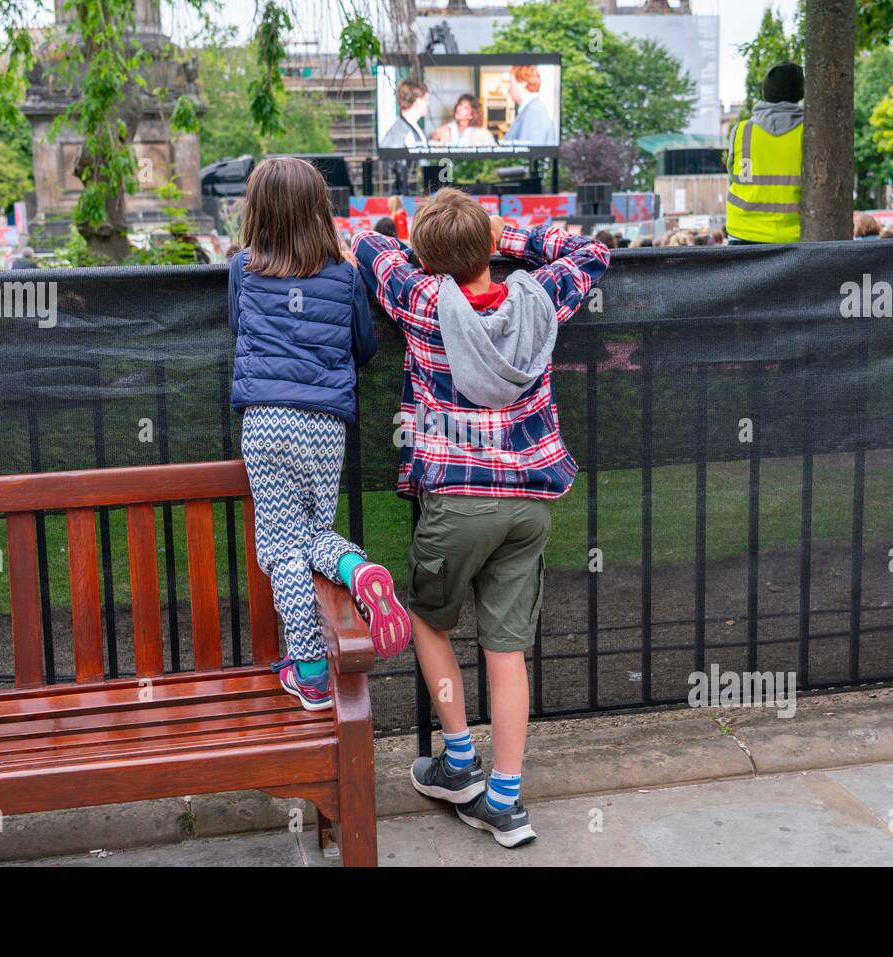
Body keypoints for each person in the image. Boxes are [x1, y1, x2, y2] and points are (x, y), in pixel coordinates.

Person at [351, 188, 609, 847]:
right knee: (508, 649)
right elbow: (592, 249)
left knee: (428, 621)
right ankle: (504, 800)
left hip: (458, 498)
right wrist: (508, 237)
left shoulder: (421, 299)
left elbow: (369, 245)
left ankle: (458, 757)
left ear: (432, 258)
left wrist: (423, 250)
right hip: (529, 501)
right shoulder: (540, 296)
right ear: (489, 246)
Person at [229, 156, 412, 711]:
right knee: (306, 534)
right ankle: (356, 569)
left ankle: (310, 672)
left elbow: (239, 329)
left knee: (281, 546)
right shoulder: (345, 273)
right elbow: (364, 345)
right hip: (326, 424)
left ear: (257, 211)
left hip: (265, 419)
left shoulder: (244, 267)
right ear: (319, 210)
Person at [726, 62, 804, 245]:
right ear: (800, 93)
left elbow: (732, 177)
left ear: (766, 92)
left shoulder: (741, 131)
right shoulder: (810, 132)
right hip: (793, 235)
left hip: (742, 232)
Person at [501, 65, 557, 146]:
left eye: (511, 83)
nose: (508, 88)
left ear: (523, 84)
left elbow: (527, 154)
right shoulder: (531, 109)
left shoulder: (534, 113)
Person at [380, 78, 430, 150]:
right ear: (417, 101)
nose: (428, 103)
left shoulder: (411, 126)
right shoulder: (400, 133)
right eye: (426, 100)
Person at [432, 94, 496, 147]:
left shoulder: (483, 133)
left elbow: (494, 154)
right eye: (460, 105)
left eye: (465, 108)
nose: (459, 108)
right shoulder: (444, 130)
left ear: (472, 115)